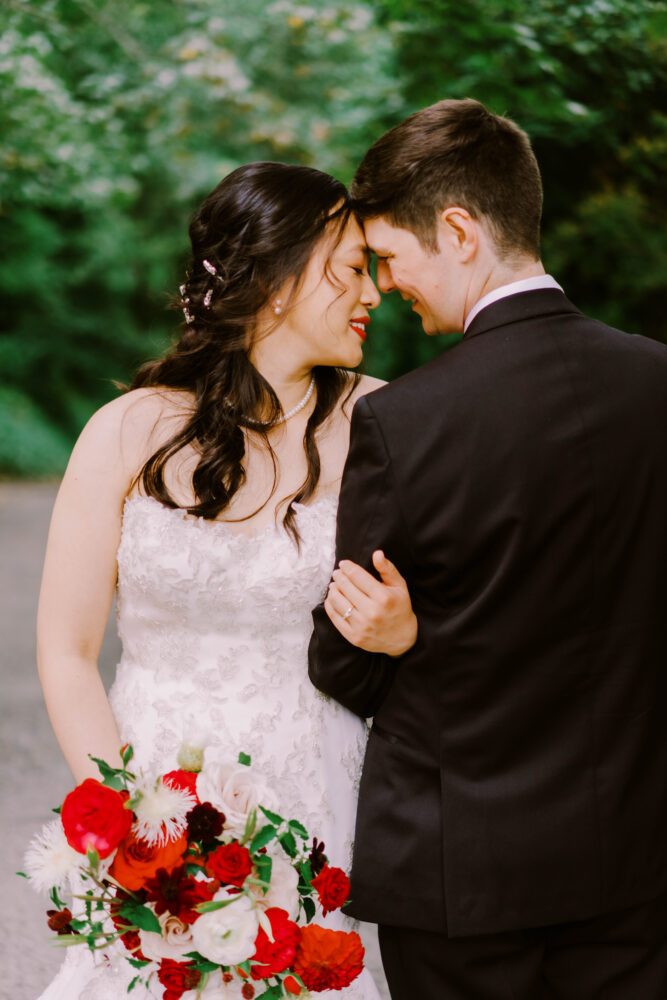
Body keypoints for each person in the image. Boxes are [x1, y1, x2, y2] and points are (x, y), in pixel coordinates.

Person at [309, 98, 667, 1000]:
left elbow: (340, 664)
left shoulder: (404, 421)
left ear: (459, 230)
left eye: (390, 257)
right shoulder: (656, 383)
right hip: (634, 865)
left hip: (461, 877)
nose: (387, 286)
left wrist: (410, 640)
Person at [35, 161, 405, 999]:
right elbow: (65, 648)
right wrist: (135, 816)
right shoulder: (128, 431)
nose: (373, 293)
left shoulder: (384, 423)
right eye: (350, 269)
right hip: (157, 791)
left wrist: (406, 627)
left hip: (312, 800)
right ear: (276, 282)